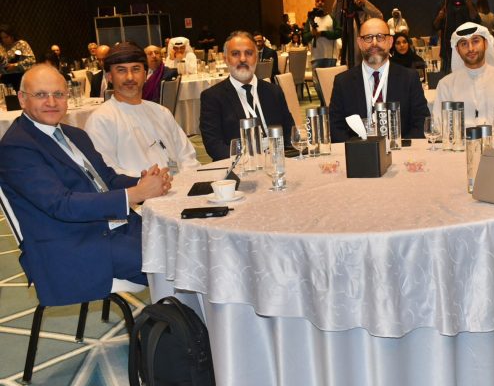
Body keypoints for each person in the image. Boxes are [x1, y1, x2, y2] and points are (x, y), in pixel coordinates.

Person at [0, 64, 172, 306]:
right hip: (73, 245)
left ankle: (182, 320)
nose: (51, 102)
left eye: (58, 94)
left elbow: (107, 180)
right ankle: (180, 324)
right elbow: (61, 204)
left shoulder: (74, 134)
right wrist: (134, 194)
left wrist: (143, 183)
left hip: (112, 227)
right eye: (41, 94)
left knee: (181, 243)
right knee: (169, 260)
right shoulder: (17, 147)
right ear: (22, 99)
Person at [85, 42, 198, 177]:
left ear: (145, 75)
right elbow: (106, 172)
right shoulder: (101, 120)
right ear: (109, 76)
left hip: (180, 185)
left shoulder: (161, 112)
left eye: (136, 69)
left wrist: (185, 180)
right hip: (138, 189)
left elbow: (187, 157)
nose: (130, 77)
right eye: (121, 70)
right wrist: (148, 182)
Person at [200, 31, 295, 161]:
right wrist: (249, 161)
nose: (243, 59)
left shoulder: (273, 91)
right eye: (235, 54)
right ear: (226, 59)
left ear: (257, 57)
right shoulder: (213, 97)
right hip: (239, 166)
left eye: (249, 53)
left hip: (276, 162)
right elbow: (214, 147)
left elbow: (289, 131)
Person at [329, 18, 429, 143]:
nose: (374, 43)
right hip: (358, 151)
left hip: (400, 150)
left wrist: (399, 147)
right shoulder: (343, 82)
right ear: (360, 43)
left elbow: (421, 121)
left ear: (390, 42)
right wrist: (358, 150)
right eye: (368, 38)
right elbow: (335, 127)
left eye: (380, 37)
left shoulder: (409, 78)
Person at [433, 22, 494, 126]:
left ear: (486, 44)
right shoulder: (446, 85)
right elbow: (438, 125)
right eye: (464, 44)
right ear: (457, 50)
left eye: (475, 41)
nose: (470, 48)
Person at [303, 0, 342, 100]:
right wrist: (312, 34)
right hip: (316, 56)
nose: (320, 3)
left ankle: (330, 102)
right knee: (317, 83)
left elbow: (339, 33)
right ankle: (323, 102)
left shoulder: (331, 18)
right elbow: (304, 38)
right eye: (318, 1)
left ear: (326, 4)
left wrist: (323, 33)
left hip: (330, 55)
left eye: (322, 1)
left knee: (329, 81)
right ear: (315, 3)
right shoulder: (310, 19)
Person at [433, 0, 480, 74]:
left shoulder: (468, 4)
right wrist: (440, 16)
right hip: (447, 51)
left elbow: (477, 21)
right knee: (447, 78)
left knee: (467, 77)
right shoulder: (444, 5)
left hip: (466, 49)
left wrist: (469, 4)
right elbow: (435, 26)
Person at [0, 24, 36, 91]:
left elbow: (32, 60)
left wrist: (15, 65)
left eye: (6, 37)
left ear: (12, 35)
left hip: (20, 77)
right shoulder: (1, 47)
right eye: (2, 38)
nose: (4, 40)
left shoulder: (21, 44)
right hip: (5, 79)